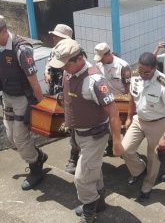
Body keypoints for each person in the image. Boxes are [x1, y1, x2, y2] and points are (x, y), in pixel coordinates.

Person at [49, 38, 123, 222]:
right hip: (78, 132)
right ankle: (99, 201)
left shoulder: (95, 81)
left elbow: (114, 113)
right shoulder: (70, 72)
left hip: (95, 136)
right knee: (93, 170)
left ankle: (89, 212)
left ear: (79, 59)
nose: (63, 69)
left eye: (66, 65)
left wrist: (117, 142)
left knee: (81, 178)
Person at [122, 52, 165, 201]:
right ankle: (139, 171)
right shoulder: (136, 76)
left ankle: (147, 185)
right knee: (125, 149)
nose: (143, 74)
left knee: (153, 157)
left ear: (154, 68)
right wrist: (128, 117)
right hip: (139, 120)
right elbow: (132, 98)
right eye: (140, 71)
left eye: (146, 72)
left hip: (157, 122)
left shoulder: (163, 82)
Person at [0, 15, 47, 191]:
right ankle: (38, 155)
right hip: (7, 96)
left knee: (20, 137)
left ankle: (36, 168)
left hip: (23, 99)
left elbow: (34, 81)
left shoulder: (22, 50)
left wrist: (42, 106)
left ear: (4, 31)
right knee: (11, 137)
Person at [45, 24, 80, 175]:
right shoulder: (55, 51)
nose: (53, 38)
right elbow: (49, 62)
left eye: (57, 36)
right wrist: (46, 71)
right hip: (56, 91)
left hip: (70, 95)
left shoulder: (74, 55)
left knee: (74, 127)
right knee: (61, 121)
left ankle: (75, 155)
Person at [94, 42, 131, 156]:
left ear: (108, 54)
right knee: (107, 125)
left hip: (121, 101)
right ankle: (110, 146)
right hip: (106, 100)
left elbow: (128, 88)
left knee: (122, 126)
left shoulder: (123, 66)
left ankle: (125, 150)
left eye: (102, 58)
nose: (100, 60)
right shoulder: (98, 65)